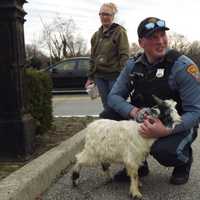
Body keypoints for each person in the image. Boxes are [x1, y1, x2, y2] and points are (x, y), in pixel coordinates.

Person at [104, 17, 200, 185]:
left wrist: (165, 130)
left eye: (162, 35)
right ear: (141, 42)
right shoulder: (133, 65)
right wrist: (134, 112)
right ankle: (139, 165)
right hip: (144, 118)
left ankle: (184, 161)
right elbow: (113, 96)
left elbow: (195, 112)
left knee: (164, 151)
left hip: (177, 122)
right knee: (108, 117)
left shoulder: (183, 67)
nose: (160, 41)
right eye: (153, 37)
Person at [85, 2, 129, 110]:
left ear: (113, 16)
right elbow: (92, 57)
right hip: (100, 77)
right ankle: (109, 126)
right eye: (102, 14)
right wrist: (90, 77)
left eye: (107, 14)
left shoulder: (119, 32)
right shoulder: (96, 35)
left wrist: (124, 77)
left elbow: (124, 55)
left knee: (117, 105)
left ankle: (119, 126)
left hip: (115, 77)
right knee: (106, 106)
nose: (104, 17)